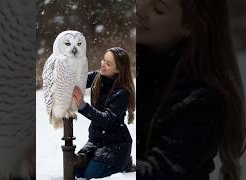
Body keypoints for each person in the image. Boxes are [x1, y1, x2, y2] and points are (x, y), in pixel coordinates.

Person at [137, 0, 246, 180]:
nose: (140, 10)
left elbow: (158, 174)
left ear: (189, 25)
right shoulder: (127, 63)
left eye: (158, 9)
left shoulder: (203, 100)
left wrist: (110, 160)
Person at [72, 47, 136, 179]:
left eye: (108, 63)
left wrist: (82, 106)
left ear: (118, 69)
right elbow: (78, 81)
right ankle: (105, 161)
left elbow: (106, 119)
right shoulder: (97, 76)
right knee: (76, 171)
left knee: (91, 175)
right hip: (96, 140)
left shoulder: (122, 93)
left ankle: (125, 163)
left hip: (117, 144)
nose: (103, 64)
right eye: (103, 60)